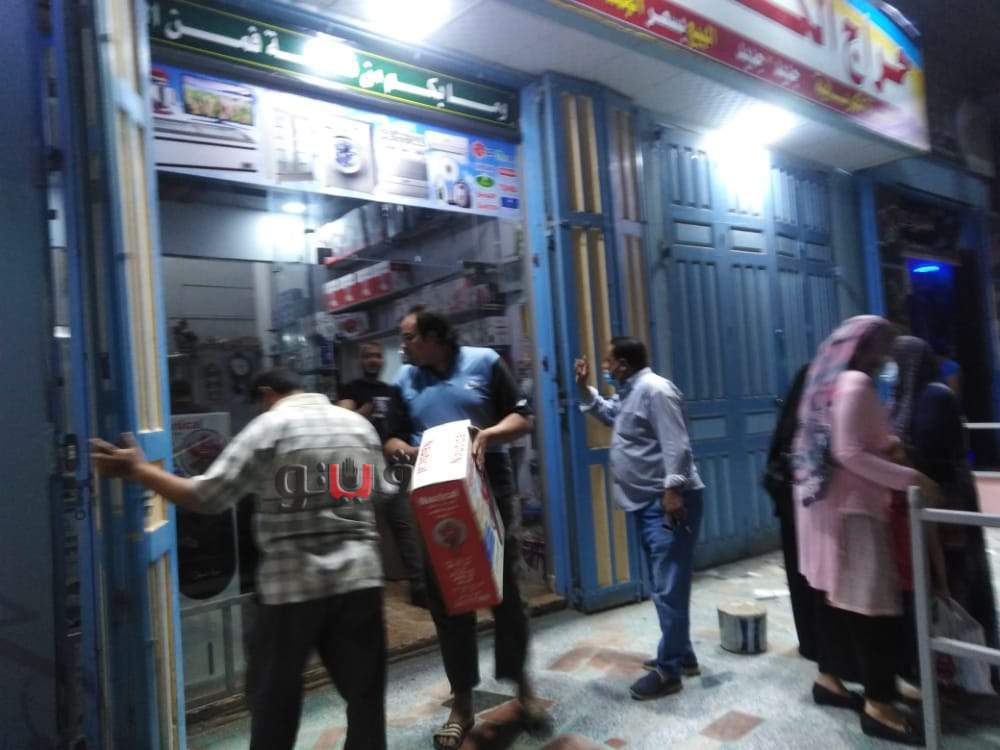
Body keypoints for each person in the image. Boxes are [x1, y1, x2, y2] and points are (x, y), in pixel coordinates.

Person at [91, 368, 388, 750]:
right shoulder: (358, 426)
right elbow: (382, 492)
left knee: (274, 706)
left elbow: (206, 497)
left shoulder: (269, 428)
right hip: (360, 579)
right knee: (365, 699)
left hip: (290, 588)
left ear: (266, 394)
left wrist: (138, 470)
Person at [384, 307, 545, 750]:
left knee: (504, 592)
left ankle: (524, 687)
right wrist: (408, 452)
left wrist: (487, 435)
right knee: (447, 596)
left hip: (489, 485)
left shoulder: (485, 363)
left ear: (435, 336)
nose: (403, 345)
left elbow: (523, 418)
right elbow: (391, 437)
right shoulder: (403, 380)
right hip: (436, 494)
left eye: (409, 337)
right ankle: (462, 703)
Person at [793, 316, 940, 746]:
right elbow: (849, 452)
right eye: (884, 345)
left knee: (835, 601)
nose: (889, 354)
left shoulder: (828, 383)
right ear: (867, 348)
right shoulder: (856, 382)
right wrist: (910, 478)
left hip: (827, 507)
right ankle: (878, 704)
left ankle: (830, 679)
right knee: (872, 608)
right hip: (855, 511)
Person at [574, 337, 705, 701]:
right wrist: (584, 389)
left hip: (668, 502)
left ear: (624, 364)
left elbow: (677, 443)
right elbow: (609, 414)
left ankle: (669, 671)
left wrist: (673, 490)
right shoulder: (630, 392)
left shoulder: (655, 390)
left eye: (608, 362)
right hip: (647, 502)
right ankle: (683, 654)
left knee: (668, 586)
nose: (605, 367)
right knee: (666, 584)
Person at [890, 336, 999, 691]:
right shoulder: (906, 397)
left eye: (897, 360)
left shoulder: (935, 397)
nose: (891, 368)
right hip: (921, 509)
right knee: (931, 585)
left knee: (954, 584)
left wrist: (898, 455)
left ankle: (968, 666)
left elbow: (934, 457)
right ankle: (937, 663)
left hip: (947, 506)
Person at [337, 341, 426, 607]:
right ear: (360, 360)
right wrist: (363, 413)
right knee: (360, 528)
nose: (373, 360)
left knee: (403, 524)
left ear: (383, 360)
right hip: (360, 466)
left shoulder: (393, 391)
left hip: (391, 466)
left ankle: (419, 586)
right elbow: (342, 419)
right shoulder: (351, 388)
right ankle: (363, 592)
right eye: (368, 356)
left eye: (377, 356)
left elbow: (405, 426)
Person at [763, 364, 819, 661]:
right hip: (810, 510)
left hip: (789, 506)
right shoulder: (815, 421)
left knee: (798, 575)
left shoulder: (789, 419)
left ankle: (809, 642)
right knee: (815, 577)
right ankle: (822, 645)